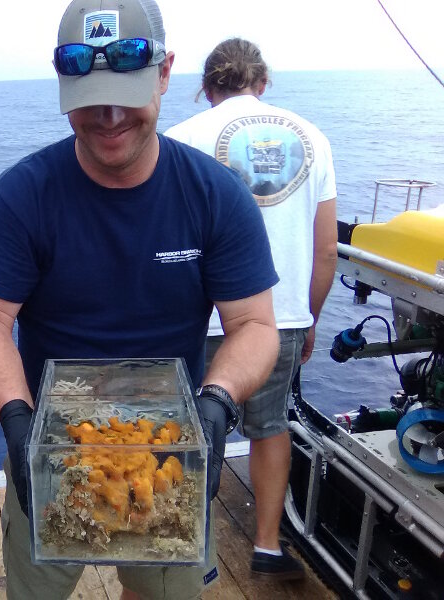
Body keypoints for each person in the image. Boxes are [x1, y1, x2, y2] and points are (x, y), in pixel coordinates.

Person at [0, 2, 281, 598]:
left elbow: (254, 324)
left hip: (170, 455)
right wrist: (15, 416)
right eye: (89, 96)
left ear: (164, 74)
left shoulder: (216, 197)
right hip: (49, 448)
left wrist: (216, 406)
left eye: (125, 91)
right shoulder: (19, 197)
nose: (108, 115)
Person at [165, 38, 338, 580]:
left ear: (207, 88)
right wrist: (307, 316)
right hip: (278, 317)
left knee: (186, 434)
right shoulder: (314, 139)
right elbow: (326, 246)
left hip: (198, 320)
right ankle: (266, 546)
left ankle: (184, 547)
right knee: (269, 428)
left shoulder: (179, 139)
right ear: (262, 83)